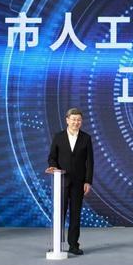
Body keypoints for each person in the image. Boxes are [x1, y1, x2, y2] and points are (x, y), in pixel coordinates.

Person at [45, 107, 93, 255]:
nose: (76, 122)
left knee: (75, 214)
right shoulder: (58, 137)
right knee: (60, 214)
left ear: (81, 122)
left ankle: (74, 245)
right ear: (67, 120)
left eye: (79, 120)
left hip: (79, 182)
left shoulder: (86, 138)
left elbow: (90, 162)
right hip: (62, 181)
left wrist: (88, 181)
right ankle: (57, 245)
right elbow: (52, 157)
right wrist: (53, 166)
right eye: (73, 119)